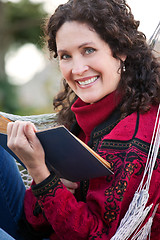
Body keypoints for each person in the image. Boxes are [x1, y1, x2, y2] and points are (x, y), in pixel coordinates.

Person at [1, 0, 160, 239]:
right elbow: (33, 222)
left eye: (88, 50)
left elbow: (98, 235)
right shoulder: (81, 119)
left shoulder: (137, 135)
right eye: (66, 56)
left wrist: (41, 174)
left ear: (121, 50)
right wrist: (49, 181)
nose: (77, 69)